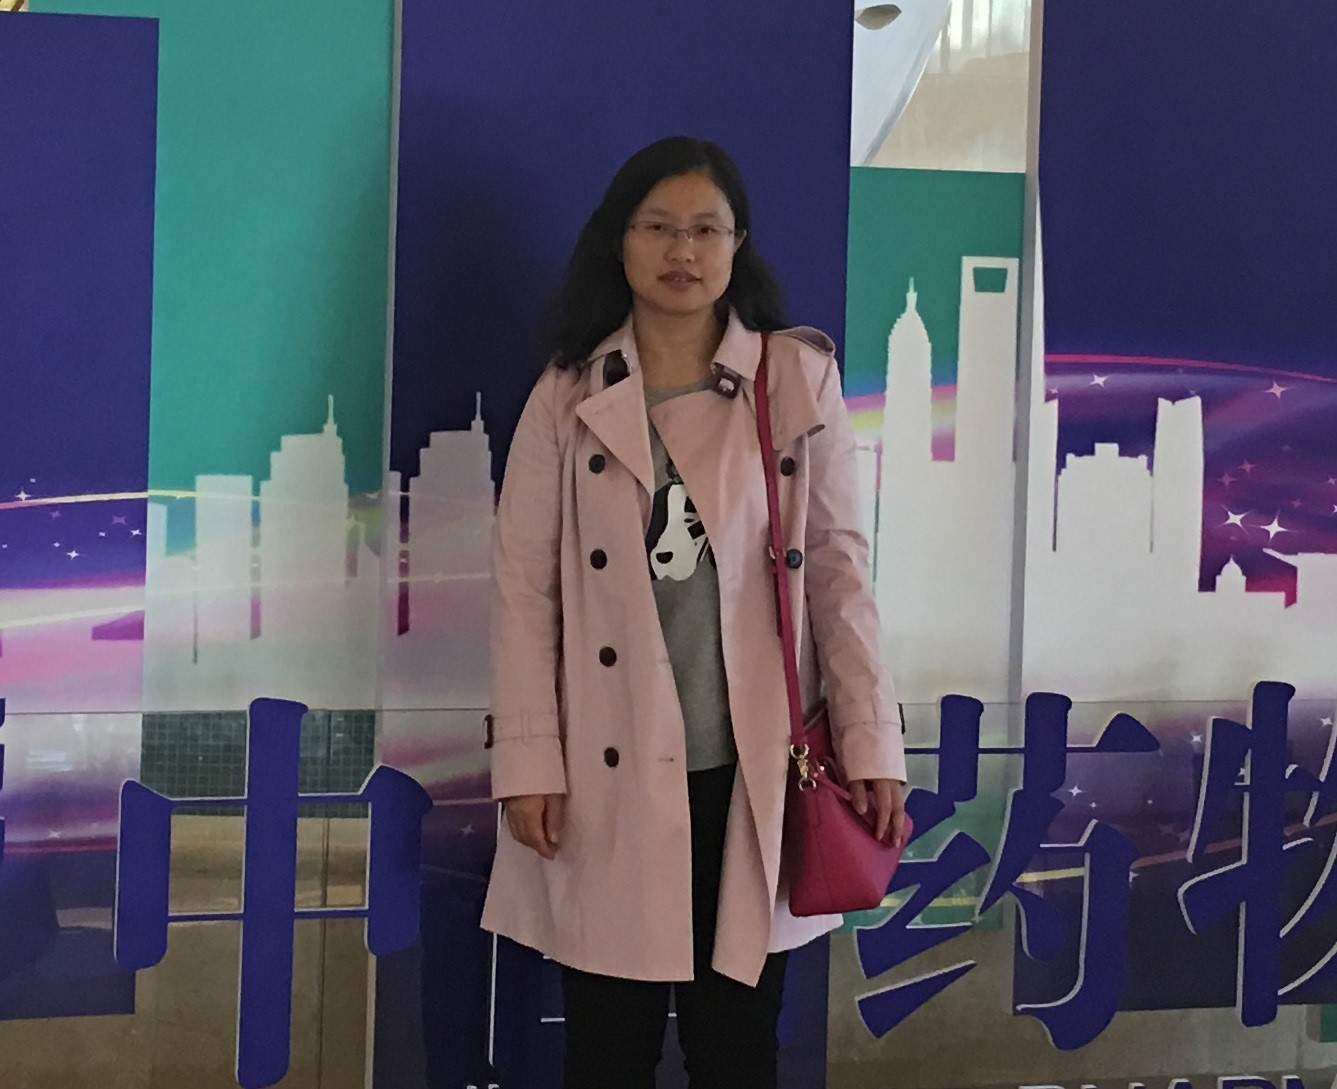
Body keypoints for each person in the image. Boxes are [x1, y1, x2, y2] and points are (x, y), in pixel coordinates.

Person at [480, 135, 907, 1089]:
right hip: (606, 763)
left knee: (737, 1046)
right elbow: (523, 590)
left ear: (736, 244)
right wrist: (528, 762)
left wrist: (870, 742)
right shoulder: (568, 392)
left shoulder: (794, 380)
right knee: (605, 1046)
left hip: (751, 765)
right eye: (658, 227)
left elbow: (839, 574)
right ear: (620, 240)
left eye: (706, 229)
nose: (682, 250)